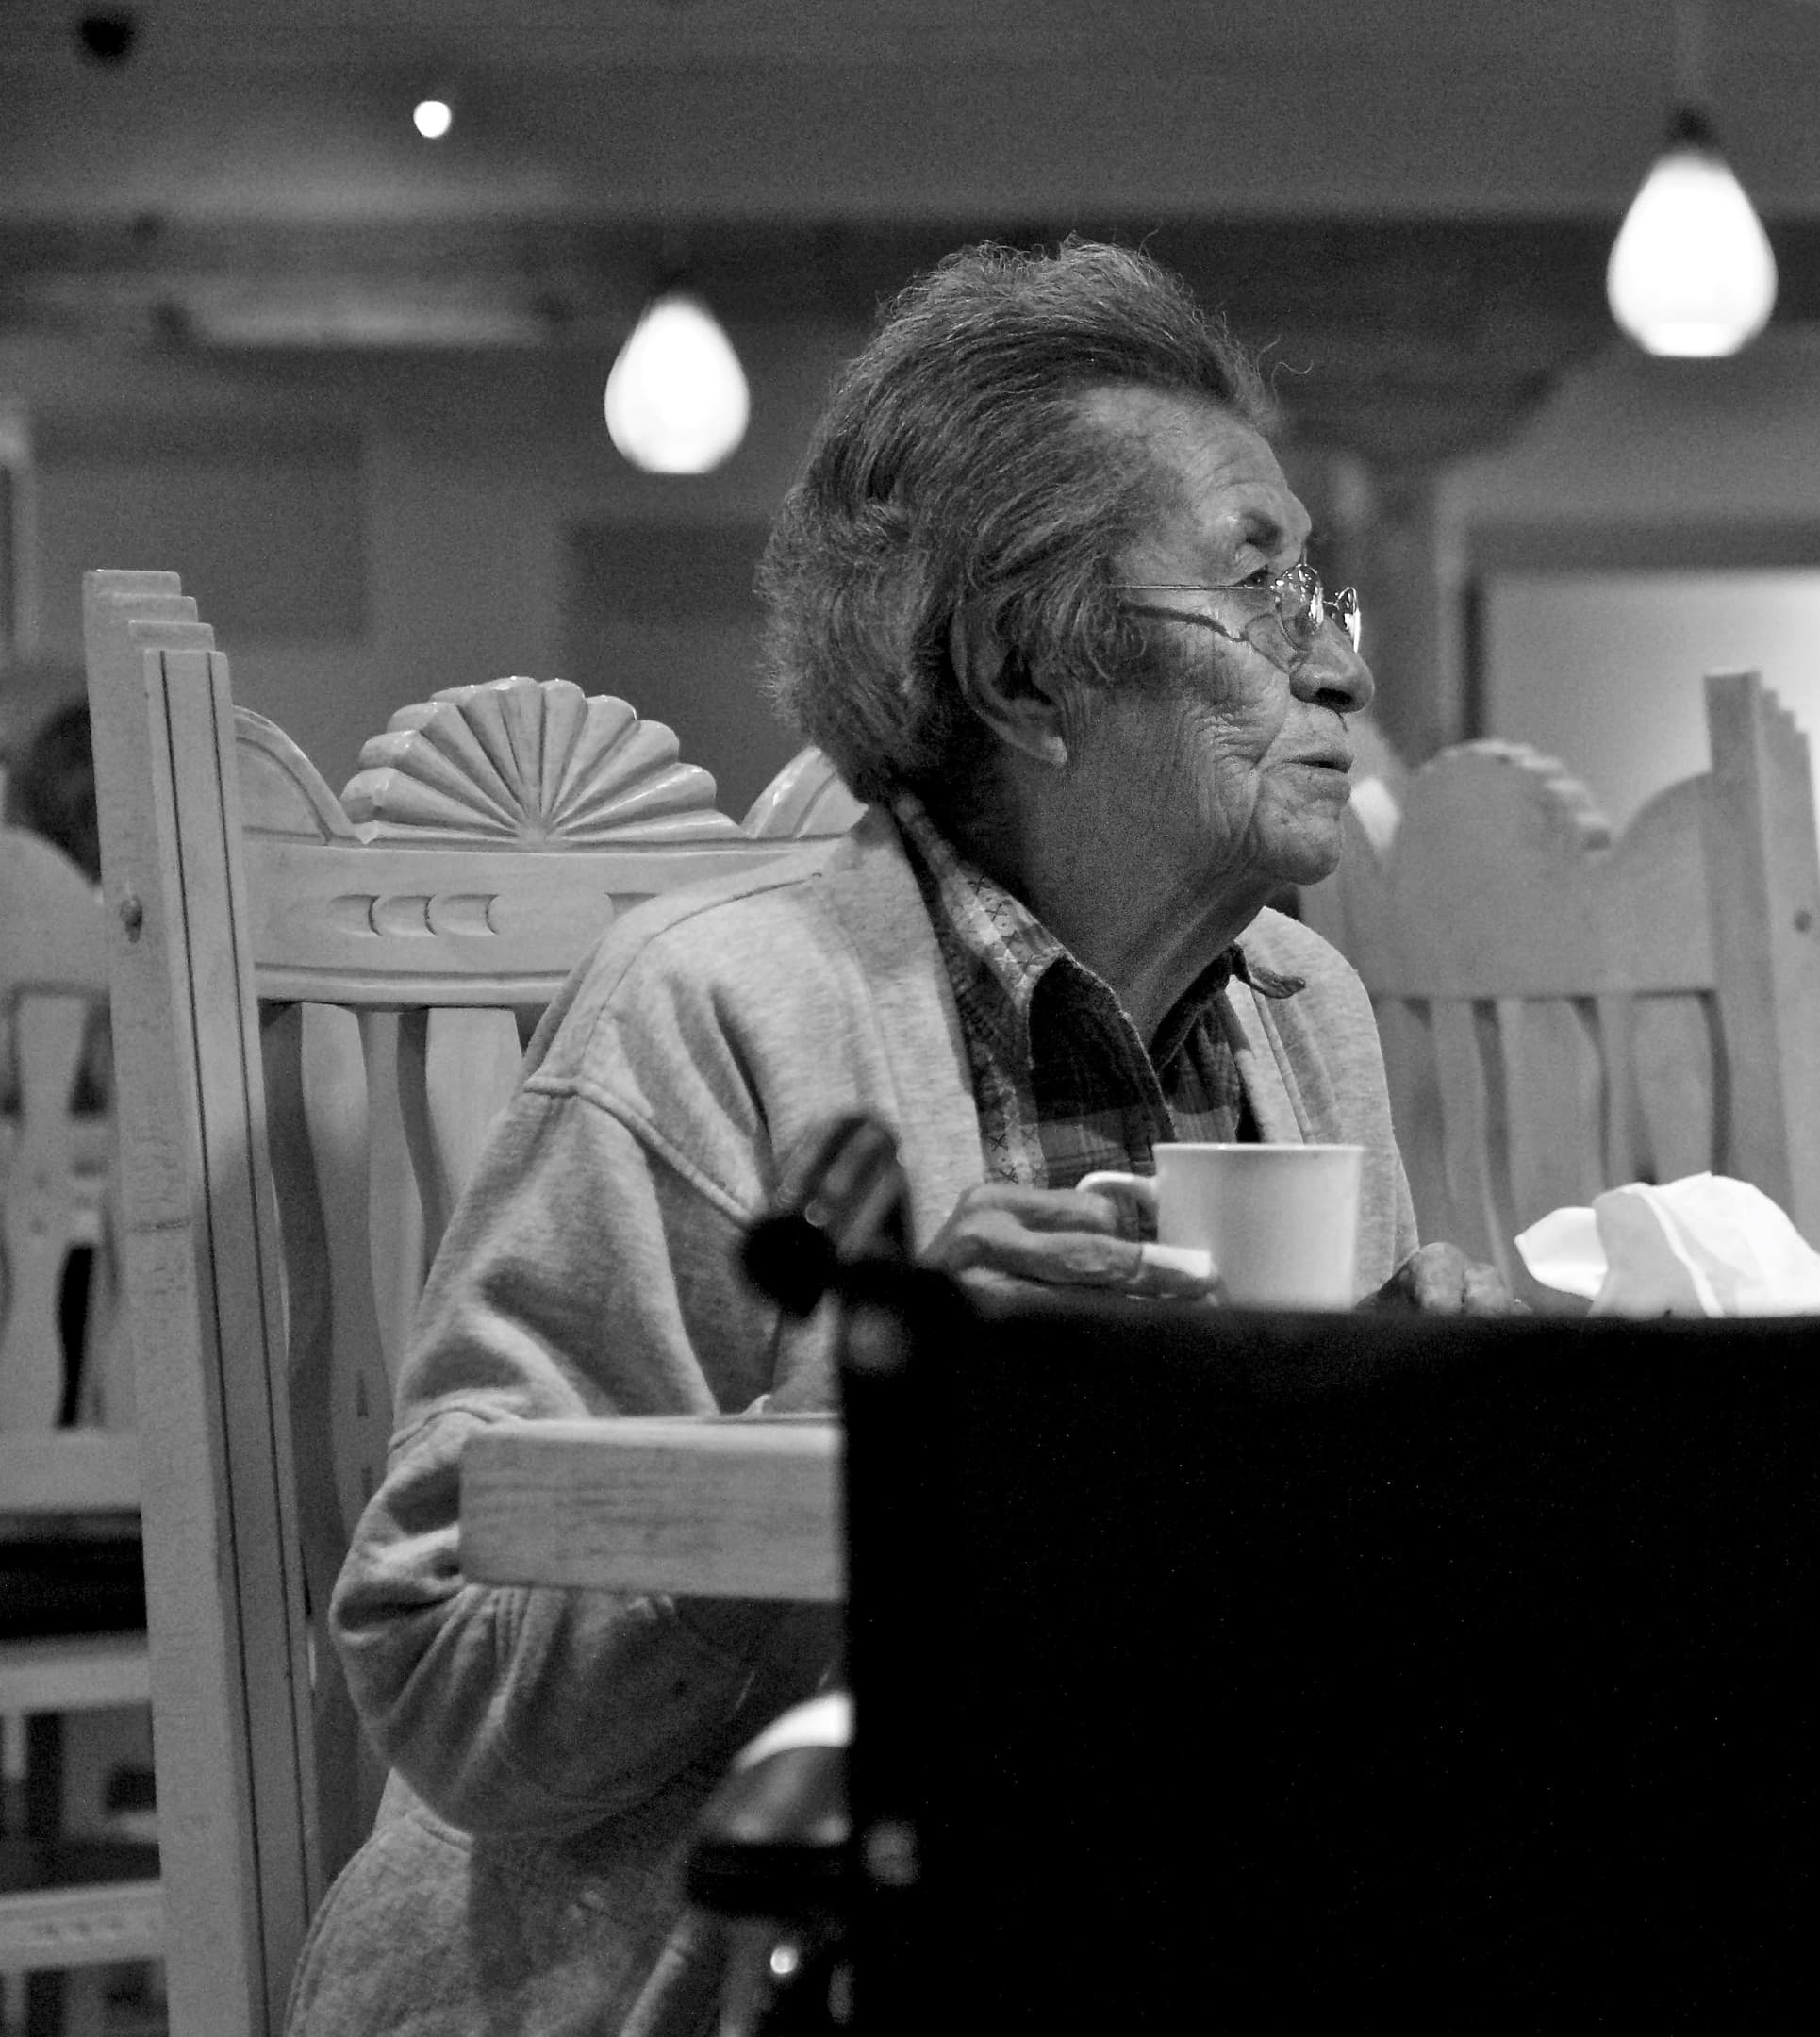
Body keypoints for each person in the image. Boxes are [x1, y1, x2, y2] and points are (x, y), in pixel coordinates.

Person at [293, 240, 1514, 2035]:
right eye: (1262, 603)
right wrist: (860, 1430)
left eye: (1327, 605)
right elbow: (449, 1674)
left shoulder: (1299, 1013)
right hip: (699, 1955)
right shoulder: (714, 1011)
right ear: (1030, 674)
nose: (1338, 679)